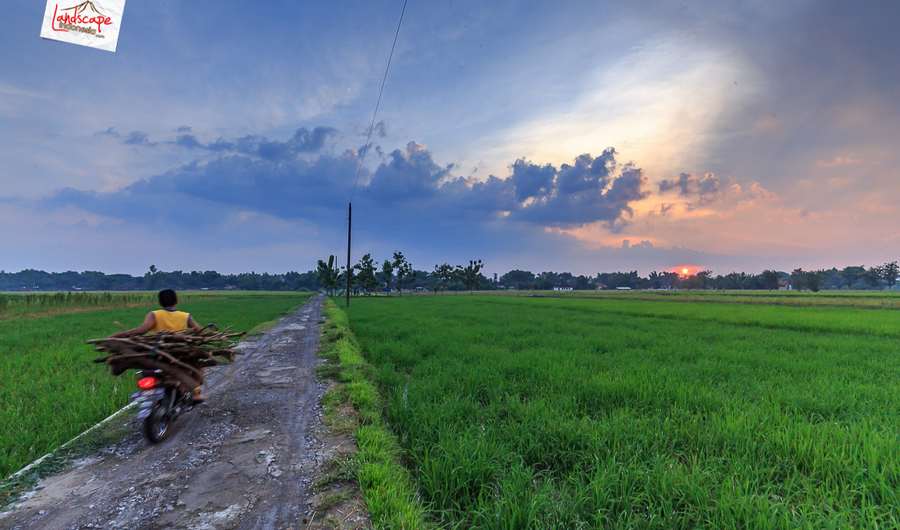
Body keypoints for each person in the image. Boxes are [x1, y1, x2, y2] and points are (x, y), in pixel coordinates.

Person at [112, 289, 206, 402]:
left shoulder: (155, 314)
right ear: (176, 301)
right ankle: (196, 393)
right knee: (198, 367)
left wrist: (120, 335)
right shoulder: (186, 316)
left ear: (160, 302)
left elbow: (142, 330)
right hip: (181, 355)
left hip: (158, 353)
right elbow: (200, 332)